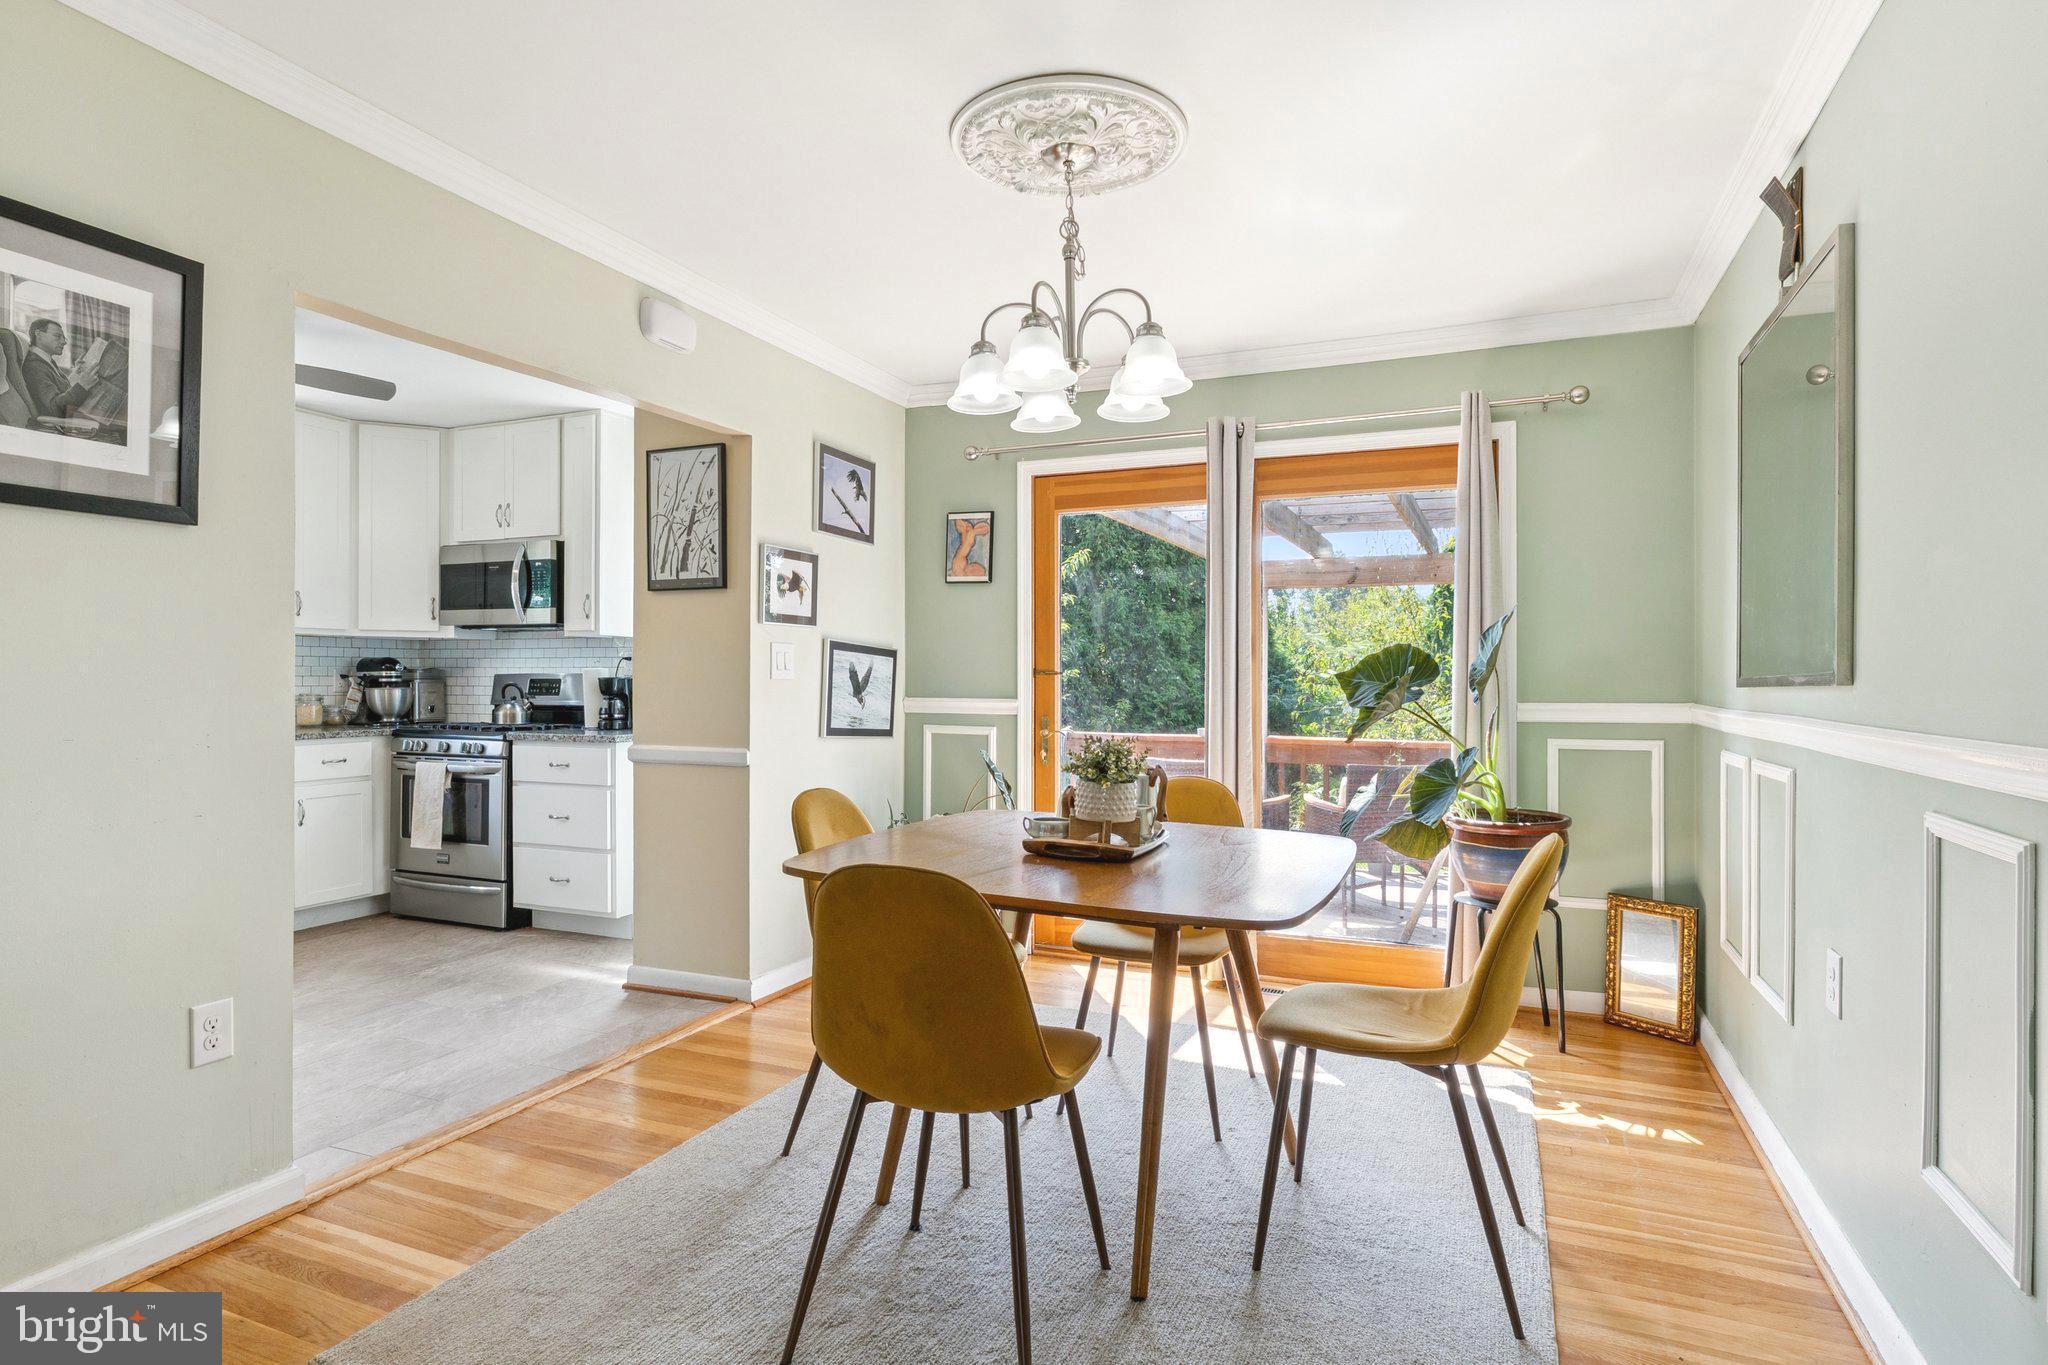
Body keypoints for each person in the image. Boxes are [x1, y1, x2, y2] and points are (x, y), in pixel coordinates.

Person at [21, 318, 99, 422]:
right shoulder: (34, 366)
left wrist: (76, 375)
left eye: (64, 338)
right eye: (58, 336)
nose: (63, 342)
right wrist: (83, 385)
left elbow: (58, 388)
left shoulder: (45, 360)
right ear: (38, 334)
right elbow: (56, 409)